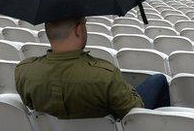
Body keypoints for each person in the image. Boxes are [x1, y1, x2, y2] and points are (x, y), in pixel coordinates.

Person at [15, 17, 170, 119]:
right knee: (159, 80)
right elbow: (135, 113)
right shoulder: (104, 75)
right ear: (78, 30)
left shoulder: (23, 72)